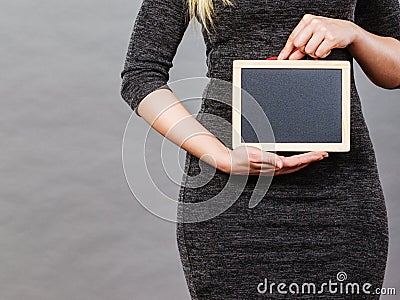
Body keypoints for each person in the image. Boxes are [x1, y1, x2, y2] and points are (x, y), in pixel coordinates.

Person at [120, 0, 400, 298]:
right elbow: (141, 75)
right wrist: (221, 156)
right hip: (230, 200)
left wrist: (354, 33)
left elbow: (394, 70)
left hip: (340, 198)